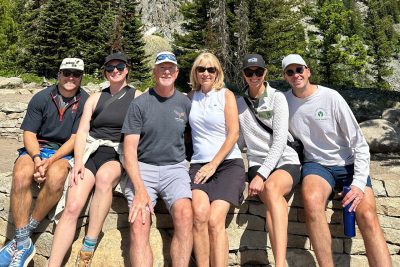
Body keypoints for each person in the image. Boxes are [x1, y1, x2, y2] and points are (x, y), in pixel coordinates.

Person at [282, 54, 392, 267]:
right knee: (312, 202)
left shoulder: (331, 97)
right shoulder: (284, 102)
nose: (296, 75)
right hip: (317, 165)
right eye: (290, 71)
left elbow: (359, 143)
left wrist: (358, 184)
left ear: (308, 71)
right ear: (285, 76)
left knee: (367, 215)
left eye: (300, 70)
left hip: (348, 163)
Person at [48, 52, 141, 267]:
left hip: (117, 153)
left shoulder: (137, 97)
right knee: (72, 206)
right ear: (105, 73)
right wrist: (78, 161)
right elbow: (82, 131)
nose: (115, 71)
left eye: (119, 67)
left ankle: (89, 244)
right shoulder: (96, 98)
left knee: (105, 178)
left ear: (126, 69)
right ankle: (53, 263)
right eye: (110, 68)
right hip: (93, 151)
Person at [0, 58, 88, 267]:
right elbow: (29, 132)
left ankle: (21, 239)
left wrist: (50, 162)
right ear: (58, 74)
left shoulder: (85, 101)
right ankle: (24, 242)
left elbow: (75, 139)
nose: (70, 77)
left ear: (81, 77)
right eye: (66, 73)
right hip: (38, 148)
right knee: (21, 173)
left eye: (75, 74)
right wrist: (38, 159)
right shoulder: (41, 97)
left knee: (57, 177)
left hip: (63, 151)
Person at [122, 51, 193, 267]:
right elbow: (129, 150)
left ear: (177, 72)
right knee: (140, 222)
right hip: (143, 168)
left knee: (184, 215)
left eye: (171, 67)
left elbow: (193, 136)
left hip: (176, 168)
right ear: (155, 72)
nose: (166, 71)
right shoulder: (140, 104)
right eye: (162, 67)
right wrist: (140, 188)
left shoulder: (185, 103)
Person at [236, 54, 301, 267]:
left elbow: (281, 139)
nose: (254, 76)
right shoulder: (239, 104)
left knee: (272, 189)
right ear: (244, 75)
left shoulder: (277, 97)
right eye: (249, 72)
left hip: (284, 158)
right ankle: (280, 263)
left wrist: (262, 174)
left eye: (258, 72)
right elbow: (240, 142)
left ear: (265, 73)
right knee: (275, 197)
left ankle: (279, 263)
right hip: (257, 161)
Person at [187, 52, 246, 267]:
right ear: (195, 72)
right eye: (201, 69)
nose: (206, 73)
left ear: (217, 72)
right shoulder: (190, 97)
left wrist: (214, 165)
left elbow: (234, 134)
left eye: (211, 69)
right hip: (199, 164)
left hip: (228, 164)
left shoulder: (226, 95)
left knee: (214, 220)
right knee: (200, 215)